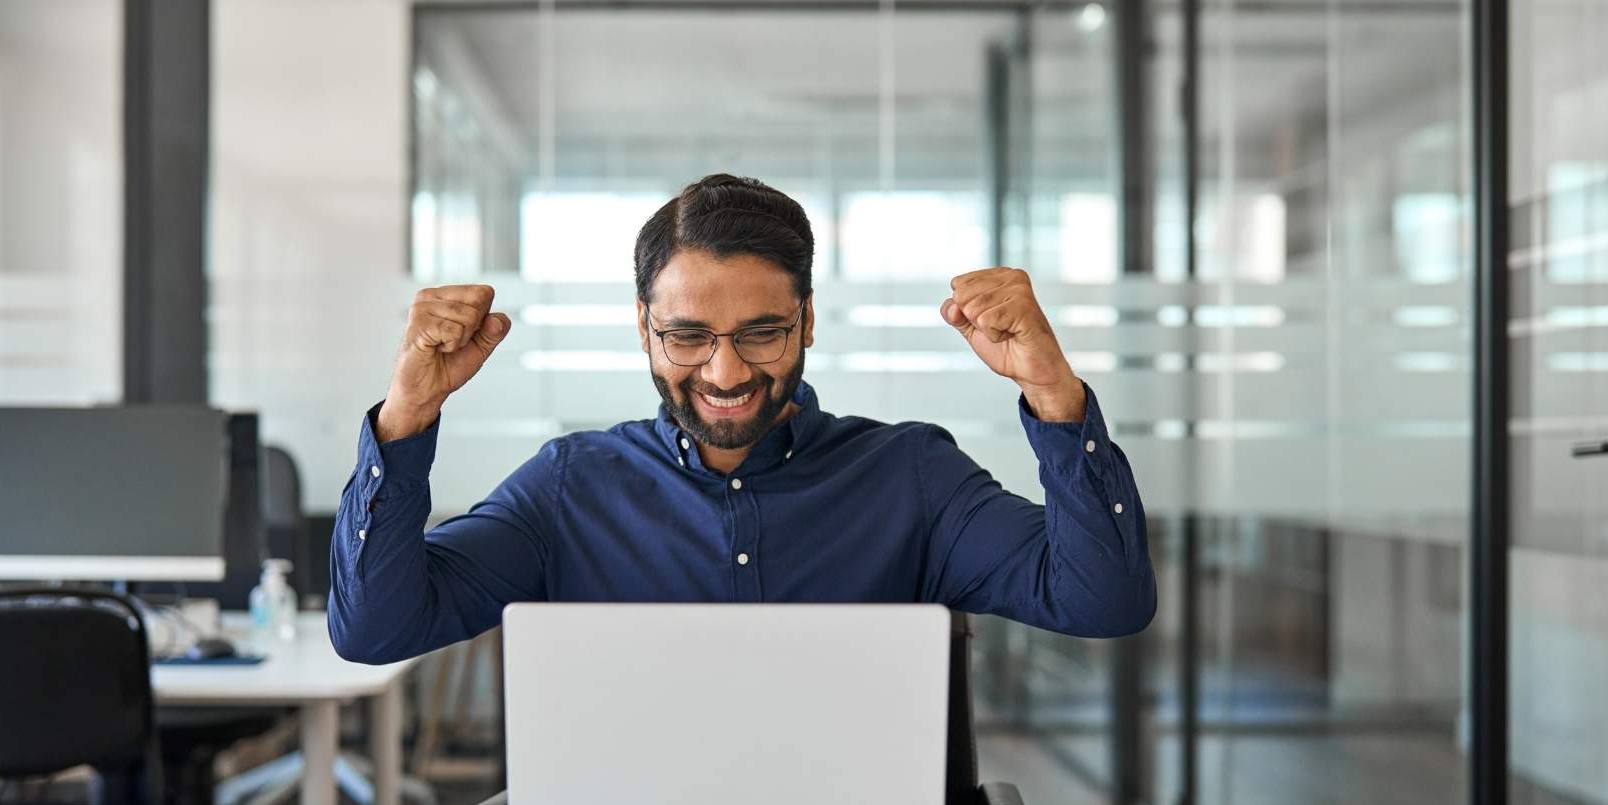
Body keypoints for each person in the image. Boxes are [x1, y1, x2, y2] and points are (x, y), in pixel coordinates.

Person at [329, 174, 1154, 664]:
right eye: (687, 335)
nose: (725, 372)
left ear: (807, 322)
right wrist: (408, 416)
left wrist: (1055, 396)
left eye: (762, 332)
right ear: (643, 328)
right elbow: (375, 631)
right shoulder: (569, 488)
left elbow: (1102, 600)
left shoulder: (910, 478)